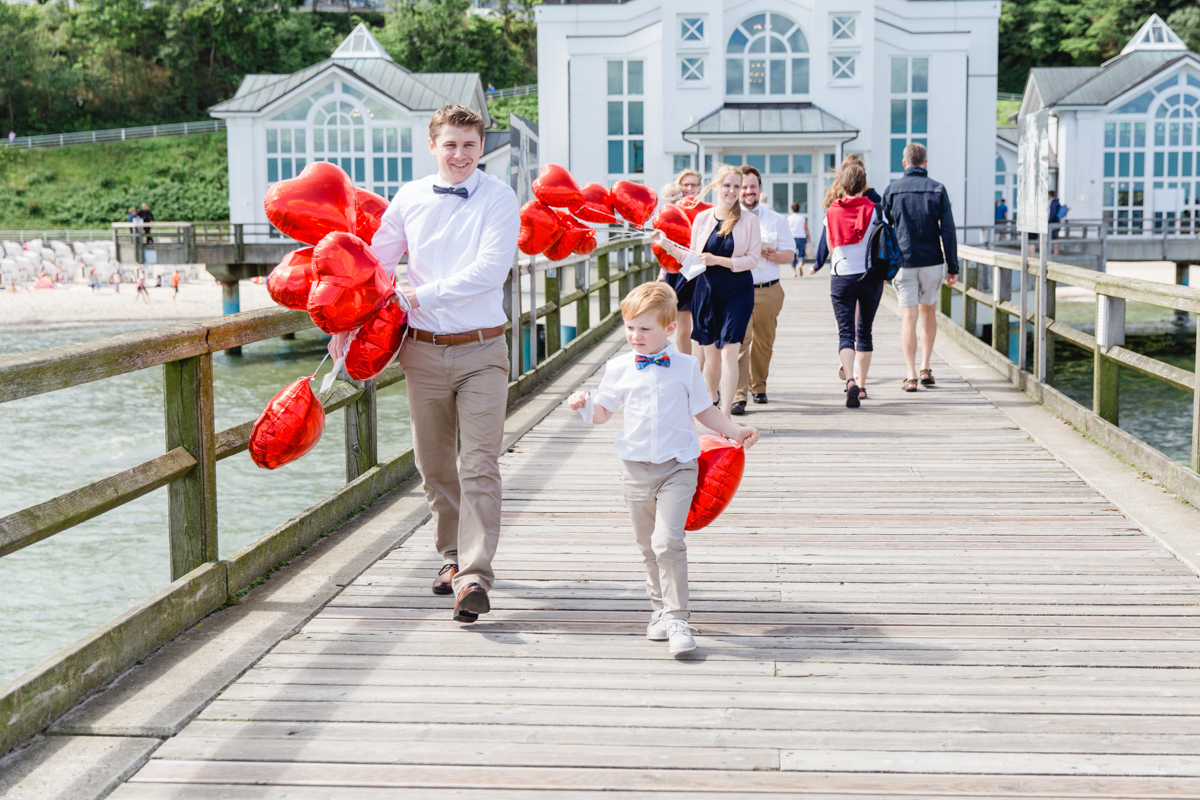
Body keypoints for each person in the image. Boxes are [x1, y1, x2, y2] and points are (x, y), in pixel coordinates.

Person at [369, 103, 520, 623]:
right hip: (423, 350)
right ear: (433, 146)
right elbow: (379, 259)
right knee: (434, 465)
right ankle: (452, 558)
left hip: (482, 348)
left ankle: (475, 577)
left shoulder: (499, 198)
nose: (460, 154)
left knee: (479, 462)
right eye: (450, 144)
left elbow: (490, 270)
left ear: (482, 149)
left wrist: (421, 294)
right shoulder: (409, 196)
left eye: (470, 145)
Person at [567, 282, 759, 655]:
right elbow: (603, 413)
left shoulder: (686, 367)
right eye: (630, 327)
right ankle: (658, 610)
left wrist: (735, 430)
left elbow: (704, 410)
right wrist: (584, 404)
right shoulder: (619, 367)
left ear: (670, 329)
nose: (635, 336)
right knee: (647, 546)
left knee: (667, 541)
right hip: (635, 469)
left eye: (645, 328)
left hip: (678, 467)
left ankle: (677, 617)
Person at [655, 164, 761, 417]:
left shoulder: (750, 220)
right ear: (716, 187)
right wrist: (666, 244)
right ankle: (711, 400)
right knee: (711, 360)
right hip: (706, 292)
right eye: (727, 185)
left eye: (737, 186)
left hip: (737, 292)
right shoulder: (702, 219)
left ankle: (725, 418)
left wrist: (718, 260)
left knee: (729, 354)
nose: (733, 191)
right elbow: (693, 258)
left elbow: (753, 260)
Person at [881, 142, 958, 392]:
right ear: (925, 163)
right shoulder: (937, 189)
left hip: (904, 261)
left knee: (908, 317)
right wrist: (953, 266)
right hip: (932, 261)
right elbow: (948, 230)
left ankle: (911, 375)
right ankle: (926, 367)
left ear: (904, 163)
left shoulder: (891, 191)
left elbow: (888, 227)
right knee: (928, 313)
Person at [819, 161, 884, 409]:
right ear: (863, 184)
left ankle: (849, 380)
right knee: (864, 331)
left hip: (841, 277)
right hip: (869, 277)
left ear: (842, 184)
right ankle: (863, 384)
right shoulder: (875, 209)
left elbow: (831, 245)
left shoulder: (831, 212)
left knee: (845, 332)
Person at [731, 165, 793, 416]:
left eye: (752, 186)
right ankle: (738, 394)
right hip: (738, 288)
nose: (747, 191)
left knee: (763, 343)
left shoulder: (776, 219)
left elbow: (790, 254)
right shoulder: (728, 218)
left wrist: (775, 255)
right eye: (743, 186)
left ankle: (759, 386)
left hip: (768, 289)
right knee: (739, 342)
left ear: (759, 188)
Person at [660, 168, 704, 357]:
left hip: (703, 269)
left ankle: (704, 374)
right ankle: (688, 367)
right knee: (683, 326)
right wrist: (661, 272)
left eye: (693, 184)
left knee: (704, 326)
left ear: (700, 187)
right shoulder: (672, 210)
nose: (689, 188)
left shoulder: (708, 210)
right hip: (678, 271)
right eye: (685, 184)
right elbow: (662, 244)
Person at [787, 202, 809, 277]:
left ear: (792, 209)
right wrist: (809, 238)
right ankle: (800, 264)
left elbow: (787, 230)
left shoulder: (789, 218)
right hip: (802, 237)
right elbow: (806, 229)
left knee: (793, 254)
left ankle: (794, 272)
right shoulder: (803, 217)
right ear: (799, 209)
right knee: (801, 253)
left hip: (792, 237)